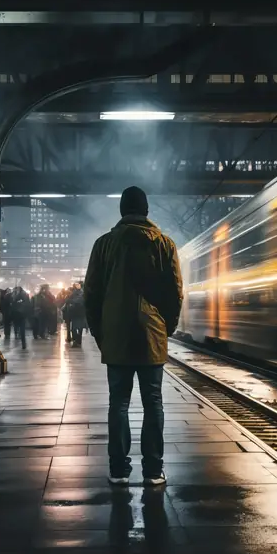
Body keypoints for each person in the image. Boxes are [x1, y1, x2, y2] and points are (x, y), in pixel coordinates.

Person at [84, 186, 183, 486]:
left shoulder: (103, 245)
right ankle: (153, 470)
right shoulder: (165, 244)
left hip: (116, 335)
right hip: (152, 334)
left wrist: (102, 334)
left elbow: (91, 295)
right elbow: (175, 293)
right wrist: (166, 329)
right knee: (153, 401)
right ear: (147, 211)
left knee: (119, 402)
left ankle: (118, 469)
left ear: (122, 212)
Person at [66, 282, 85, 347]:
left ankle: (77, 341)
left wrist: (72, 302)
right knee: (77, 328)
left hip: (77, 313)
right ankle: (77, 341)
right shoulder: (75, 293)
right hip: (78, 313)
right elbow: (68, 300)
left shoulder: (80, 293)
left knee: (77, 328)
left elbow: (69, 300)